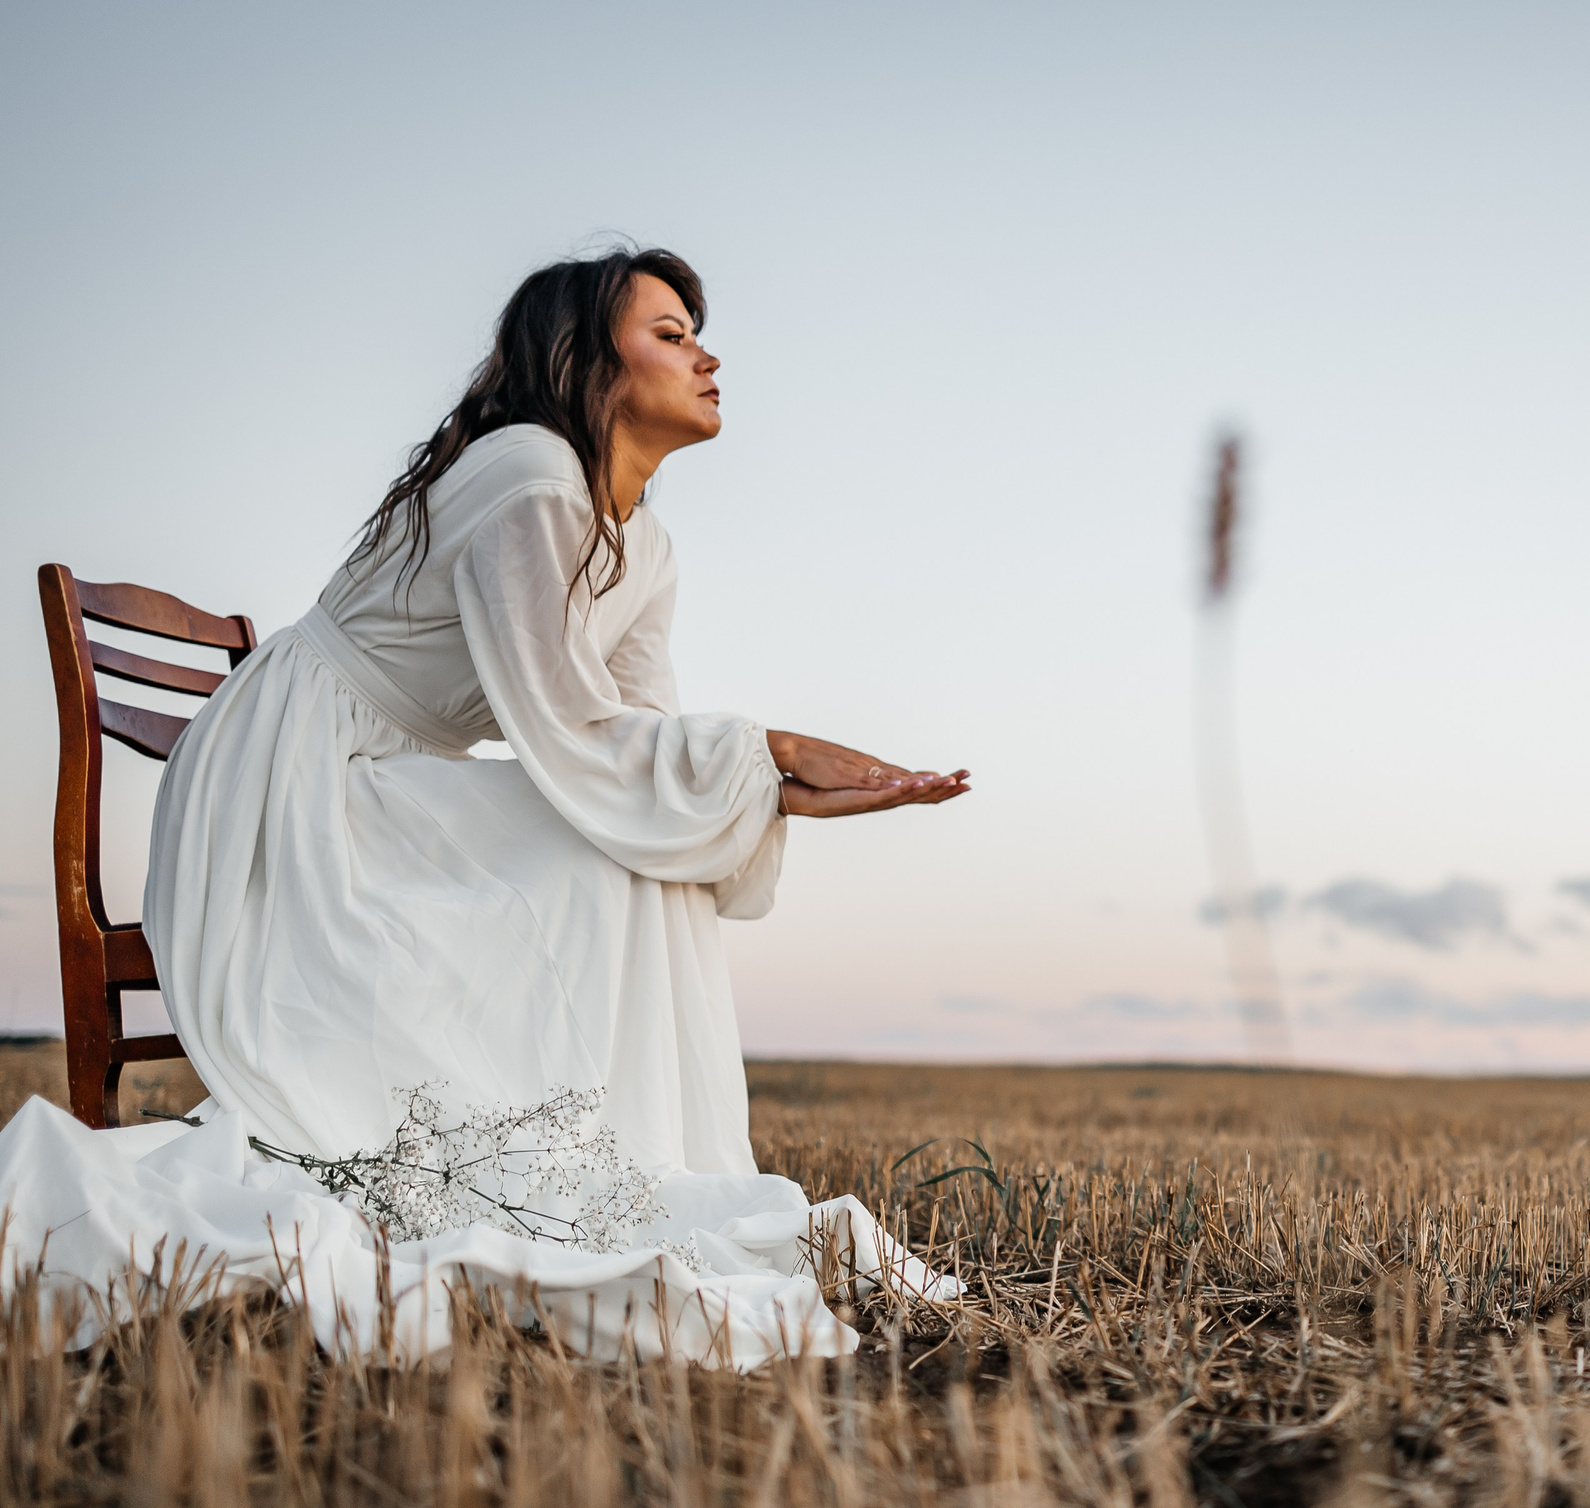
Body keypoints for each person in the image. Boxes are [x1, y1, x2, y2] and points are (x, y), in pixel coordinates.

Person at [0, 248, 968, 1365]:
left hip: (391, 780)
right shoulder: (527, 477)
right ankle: (551, 1155)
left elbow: (638, 757)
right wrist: (771, 753)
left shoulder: (644, 545)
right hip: (291, 788)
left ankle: (615, 1163)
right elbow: (570, 731)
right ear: (587, 360)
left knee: (645, 853)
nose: (707, 355)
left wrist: (775, 795)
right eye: (669, 333)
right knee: (604, 849)